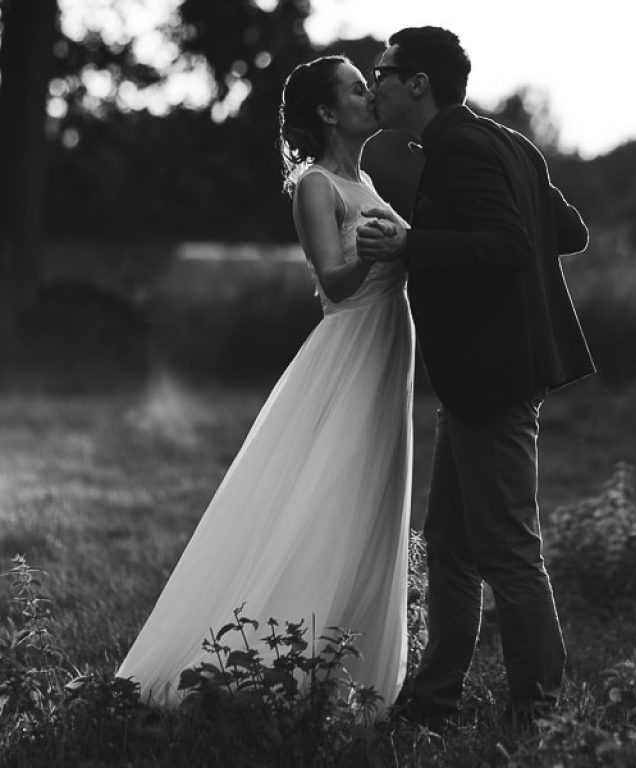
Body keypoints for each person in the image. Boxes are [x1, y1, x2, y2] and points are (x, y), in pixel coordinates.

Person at [117, 56, 414, 714]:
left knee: (371, 495)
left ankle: (342, 675)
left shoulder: (364, 178)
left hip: (387, 352)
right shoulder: (316, 184)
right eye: (359, 89)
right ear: (329, 113)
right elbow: (329, 285)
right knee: (333, 494)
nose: (372, 95)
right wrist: (374, 253)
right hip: (352, 349)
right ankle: (285, 669)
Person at [356, 26, 594, 727]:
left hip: (493, 380)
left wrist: (411, 244)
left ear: (418, 83)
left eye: (383, 71)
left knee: (511, 552)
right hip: (479, 380)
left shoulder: (461, 148)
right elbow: (569, 232)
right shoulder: (510, 143)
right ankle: (433, 701)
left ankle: (541, 715)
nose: (375, 83)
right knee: (452, 550)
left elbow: (510, 245)